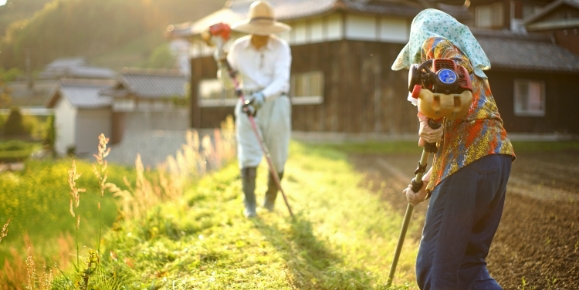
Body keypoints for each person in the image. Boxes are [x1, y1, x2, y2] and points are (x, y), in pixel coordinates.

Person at [391, 9, 516, 290]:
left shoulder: (435, 44)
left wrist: (431, 114)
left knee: (435, 272)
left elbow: (450, 88)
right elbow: (463, 138)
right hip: (496, 160)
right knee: (467, 270)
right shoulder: (475, 71)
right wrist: (425, 181)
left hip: (468, 166)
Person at [214, 1, 292, 218]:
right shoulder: (238, 48)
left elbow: (282, 81)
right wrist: (221, 64)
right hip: (247, 103)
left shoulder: (281, 48)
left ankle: (270, 199)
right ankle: (250, 205)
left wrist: (263, 96)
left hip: (276, 102)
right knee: (248, 153)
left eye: (266, 32)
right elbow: (229, 82)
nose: (262, 35)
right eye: (258, 32)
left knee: (277, 155)